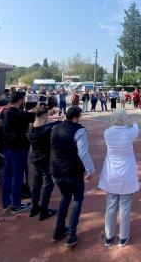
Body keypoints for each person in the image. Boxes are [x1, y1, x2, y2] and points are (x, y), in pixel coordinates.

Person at [50, 106, 95, 247]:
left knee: (65, 197)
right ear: (75, 118)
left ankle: (58, 230)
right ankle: (71, 234)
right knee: (78, 199)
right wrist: (90, 169)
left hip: (56, 170)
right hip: (72, 171)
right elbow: (83, 152)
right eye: (79, 117)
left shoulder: (55, 128)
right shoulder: (79, 130)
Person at [98, 109, 139, 247]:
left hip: (111, 173)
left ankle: (109, 236)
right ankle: (123, 237)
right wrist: (134, 122)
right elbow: (136, 128)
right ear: (124, 119)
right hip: (126, 173)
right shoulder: (129, 133)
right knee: (125, 206)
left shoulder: (107, 133)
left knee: (110, 206)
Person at [1, 92, 35, 213]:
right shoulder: (17, 114)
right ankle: (16, 204)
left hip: (7, 147)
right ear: (20, 100)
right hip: (18, 148)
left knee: (8, 175)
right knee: (18, 176)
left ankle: (6, 202)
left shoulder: (4, 112)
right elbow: (31, 117)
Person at [27, 106, 60, 220]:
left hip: (36, 159)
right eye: (47, 116)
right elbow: (51, 126)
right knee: (48, 184)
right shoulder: (45, 130)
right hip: (45, 161)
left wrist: (49, 116)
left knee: (36, 185)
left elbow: (46, 124)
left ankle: (34, 207)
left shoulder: (31, 127)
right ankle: (44, 210)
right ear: (44, 116)